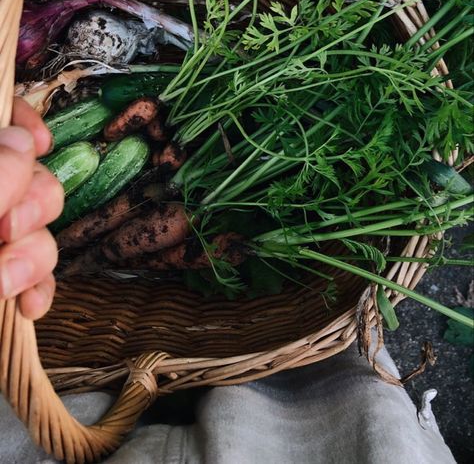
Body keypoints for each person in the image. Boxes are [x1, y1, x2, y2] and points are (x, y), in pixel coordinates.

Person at [0, 101, 458, 464]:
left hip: (191, 217)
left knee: (107, 244)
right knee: (100, 239)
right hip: (168, 199)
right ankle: (80, 259)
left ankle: (81, 260)